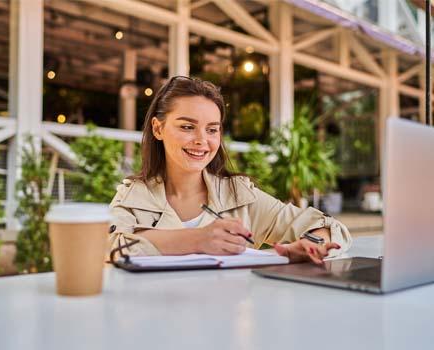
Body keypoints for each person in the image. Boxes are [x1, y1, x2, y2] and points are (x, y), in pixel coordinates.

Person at [109, 76, 352, 265]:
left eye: (212, 130)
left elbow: (327, 226)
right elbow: (110, 247)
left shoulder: (239, 195)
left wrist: (311, 244)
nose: (202, 140)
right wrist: (198, 239)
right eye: (187, 126)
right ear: (158, 129)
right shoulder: (132, 196)